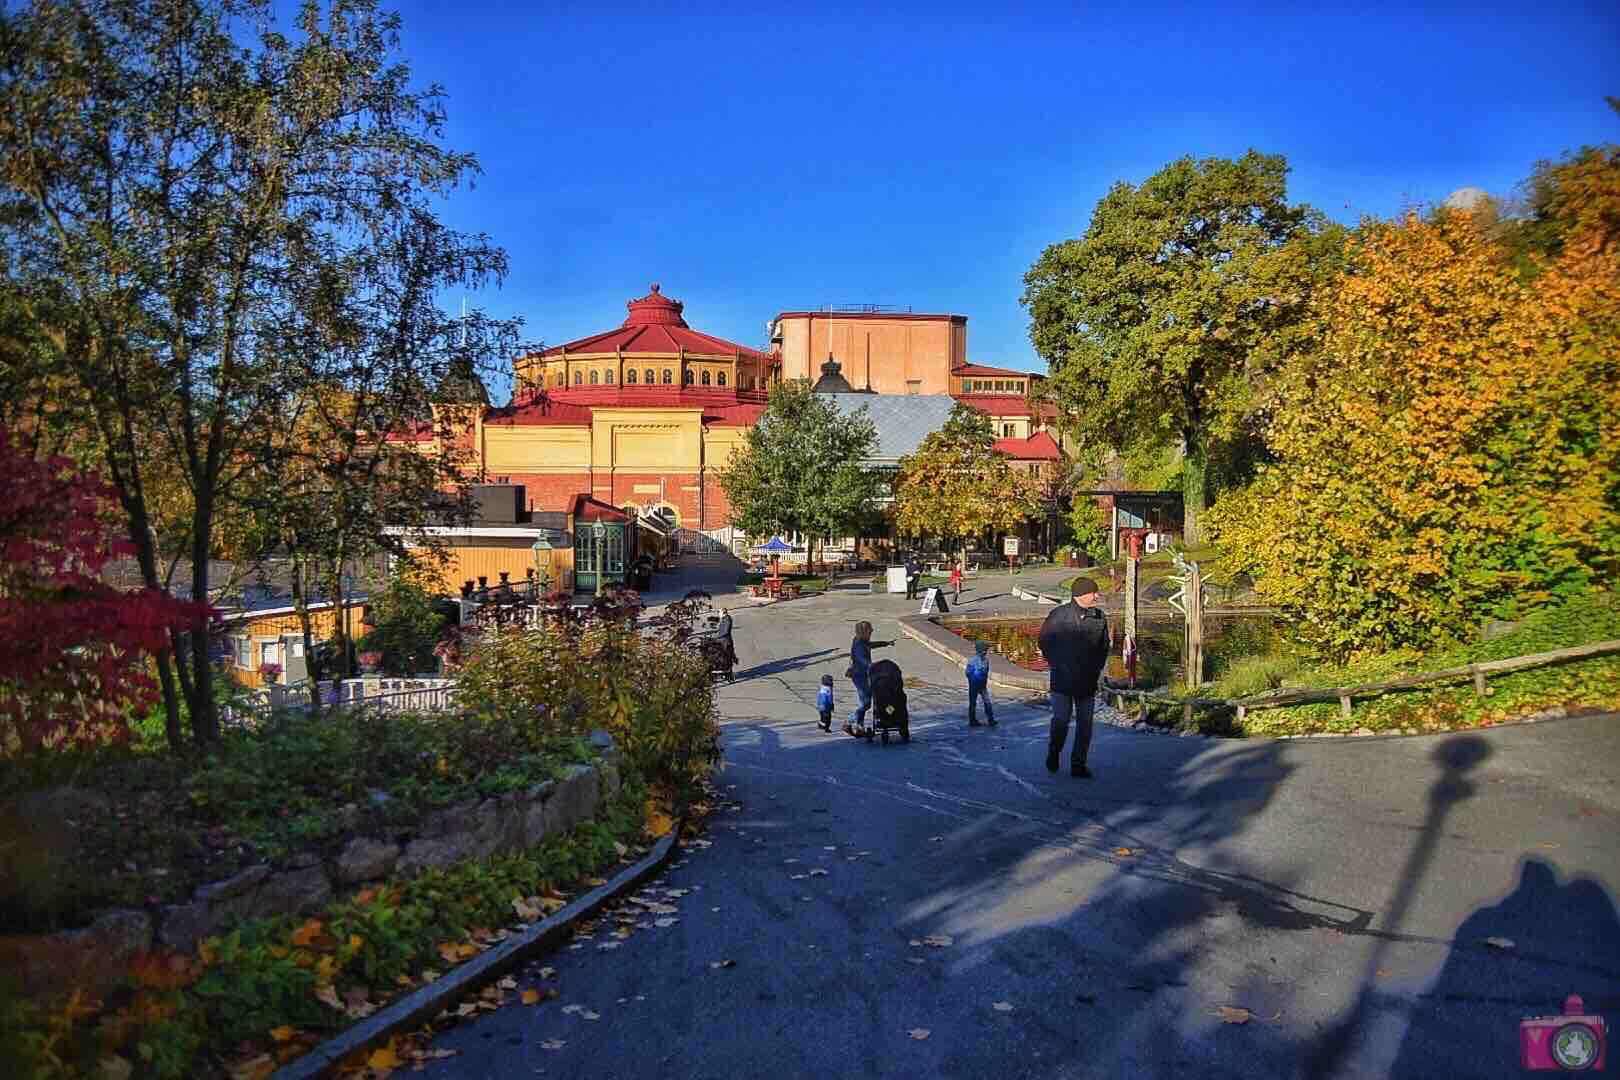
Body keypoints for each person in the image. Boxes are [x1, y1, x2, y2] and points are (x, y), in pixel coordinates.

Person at [1037, 577, 1111, 779]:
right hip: (1062, 679)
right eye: (1093, 592)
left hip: (1087, 680)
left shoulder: (1099, 617)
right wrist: (1058, 663)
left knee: (1085, 724)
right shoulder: (1058, 616)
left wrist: (1096, 669)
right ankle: (1054, 752)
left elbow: (1104, 647)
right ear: (1081, 595)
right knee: (1061, 721)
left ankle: (1078, 764)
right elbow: (1044, 641)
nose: (1097, 596)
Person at [844, 620, 891, 736]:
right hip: (860, 676)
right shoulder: (859, 644)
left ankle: (860, 727)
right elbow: (861, 659)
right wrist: (873, 666)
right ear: (864, 631)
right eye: (870, 630)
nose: (872, 631)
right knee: (866, 703)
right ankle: (849, 721)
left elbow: (870, 645)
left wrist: (885, 643)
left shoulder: (862, 641)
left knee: (865, 702)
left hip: (864, 675)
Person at [965, 640, 996, 727]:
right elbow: (967, 672)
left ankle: (991, 719)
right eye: (984, 650)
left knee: (987, 702)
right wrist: (973, 679)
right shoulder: (972, 661)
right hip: (974, 685)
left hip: (982, 685)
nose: (986, 652)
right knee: (973, 703)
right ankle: (972, 720)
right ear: (980, 651)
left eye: (986, 650)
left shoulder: (986, 660)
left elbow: (986, 672)